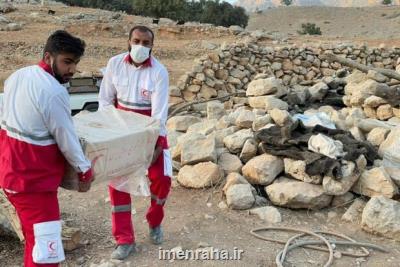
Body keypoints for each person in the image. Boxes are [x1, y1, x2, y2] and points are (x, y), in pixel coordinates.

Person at [0, 30, 94, 267]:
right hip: (33, 182)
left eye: (75, 63)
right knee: (47, 251)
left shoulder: (19, 75)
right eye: (67, 62)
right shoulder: (53, 91)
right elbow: (66, 137)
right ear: (49, 56)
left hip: (11, 172)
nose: (72, 69)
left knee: (34, 239)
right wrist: (84, 168)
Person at [99, 25, 172, 260]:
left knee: (162, 179)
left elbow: (159, 115)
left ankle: (154, 221)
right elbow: (105, 100)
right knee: (118, 185)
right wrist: (112, 133)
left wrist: (155, 146)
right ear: (128, 41)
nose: (140, 46)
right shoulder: (115, 64)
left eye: (146, 43)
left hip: (149, 134)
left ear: (152, 46)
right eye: (136, 41)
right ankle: (124, 240)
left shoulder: (159, 72)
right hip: (121, 133)